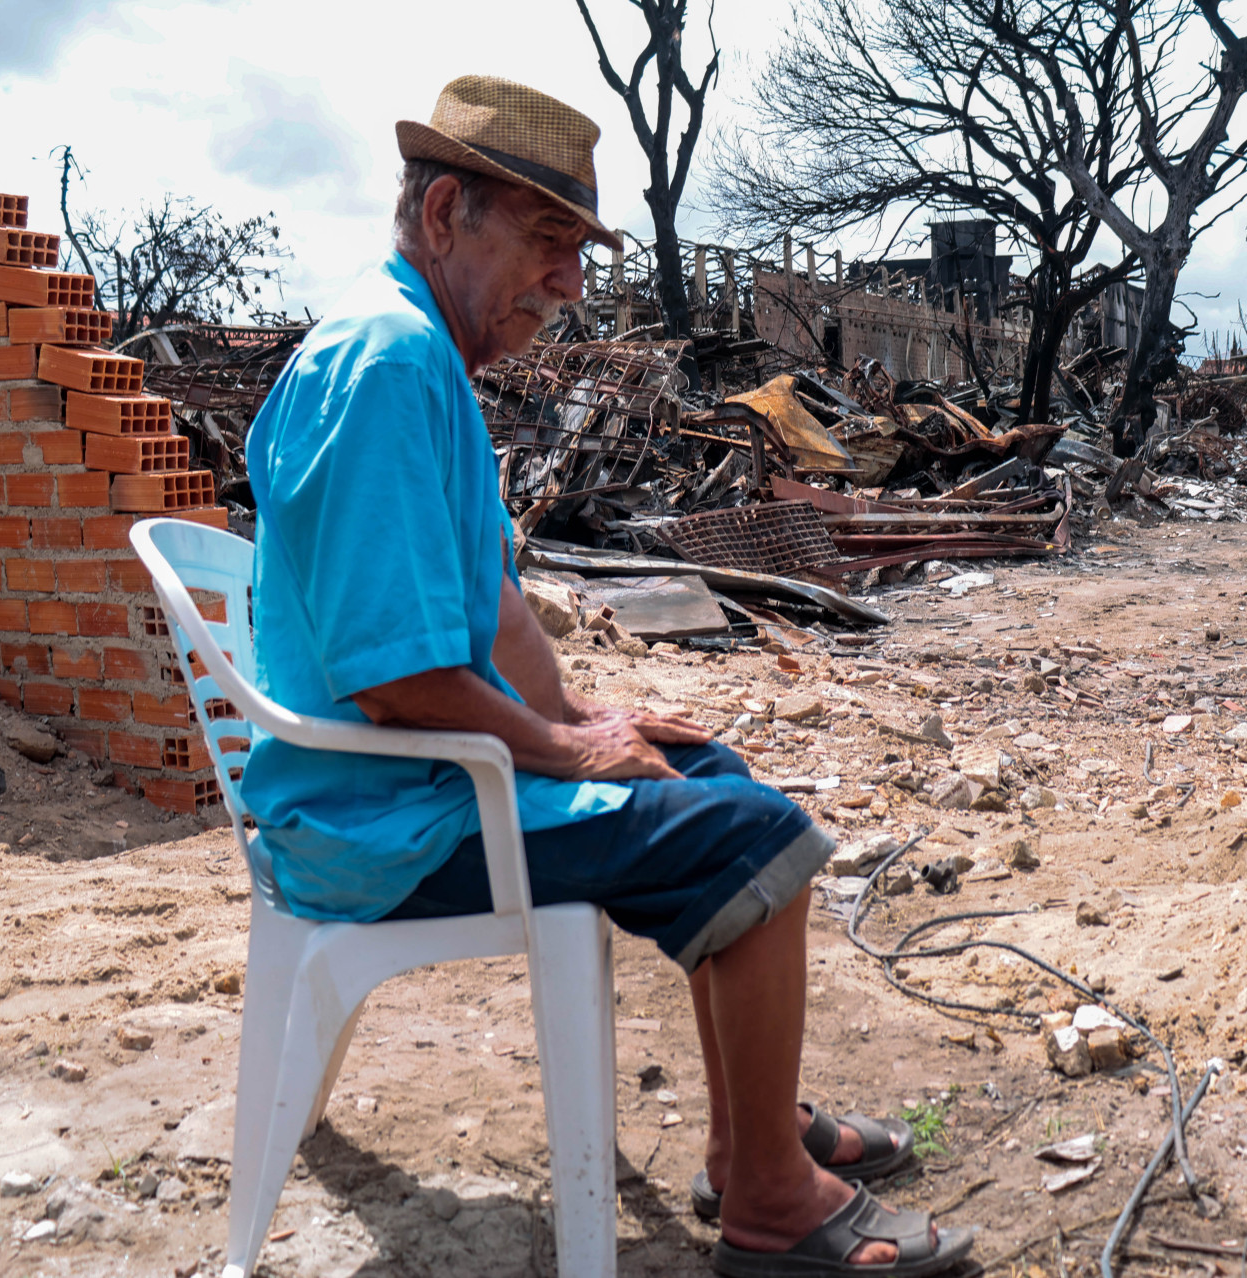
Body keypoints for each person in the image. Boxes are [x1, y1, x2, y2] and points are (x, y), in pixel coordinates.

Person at [239, 76, 976, 1277]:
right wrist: (566, 751)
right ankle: (773, 1209)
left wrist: (587, 711)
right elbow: (399, 681)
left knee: (709, 770)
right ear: (443, 213)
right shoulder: (382, 366)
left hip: (416, 783)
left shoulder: (418, 354)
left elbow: (487, 603)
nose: (569, 284)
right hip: (381, 818)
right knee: (750, 838)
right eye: (546, 243)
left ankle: (752, 1142)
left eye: (577, 251)